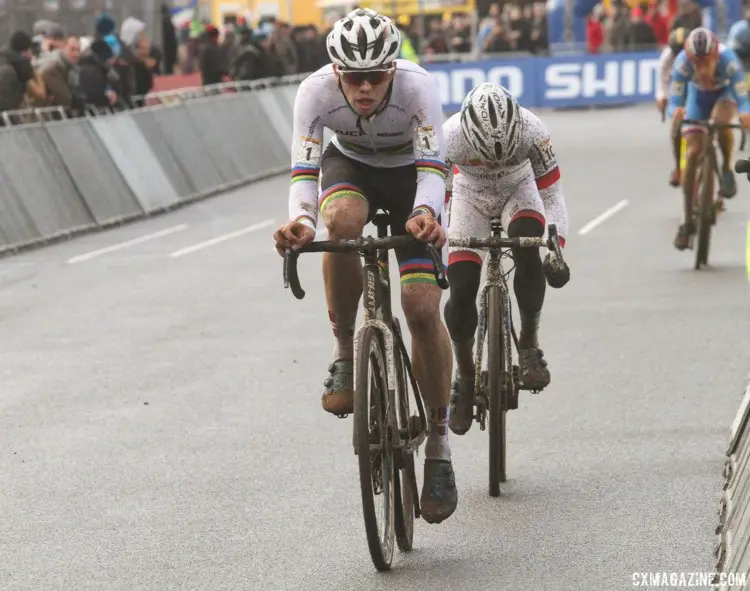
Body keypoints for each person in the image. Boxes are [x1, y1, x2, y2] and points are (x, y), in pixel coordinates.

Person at [272, 8, 457, 525]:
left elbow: (433, 170)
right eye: (354, 78)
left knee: (421, 308)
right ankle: (344, 354)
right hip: (350, 164)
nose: (366, 88)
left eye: (376, 76)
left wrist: (425, 214)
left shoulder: (419, 89)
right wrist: (302, 223)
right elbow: (304, 170)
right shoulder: (313, 94)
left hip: (411, 180)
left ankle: (439, 447)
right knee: (342, 221)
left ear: (393, 71)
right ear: (337, 74)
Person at [442, 83, 571, 436]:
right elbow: (438, 197)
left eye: (501, 155)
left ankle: (529, 343)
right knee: (462, 286)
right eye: (484, 157)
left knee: (526, 245)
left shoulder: (533, 130)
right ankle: (464, 376)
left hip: (519, 189)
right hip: (469, 196)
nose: (493, 163)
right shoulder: (449, 136)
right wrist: (439, 253)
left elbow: (552, 193)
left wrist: (555, 246)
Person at [668, 27, 750, 251]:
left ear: (716, 56)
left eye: (707, 63)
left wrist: (744, 114)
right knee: (692, 152)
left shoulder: (729, 61)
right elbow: (674, 101)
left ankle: (725, 168)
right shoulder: (682, 63)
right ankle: (686, 222)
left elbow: (742, 98)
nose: (702, 69)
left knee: (720, 122)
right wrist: (675, 112)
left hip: (723, 95)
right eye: (697, 64)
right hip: (698, 97)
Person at [657, 26, 690, 187]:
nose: (680, 56)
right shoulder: (666, 57)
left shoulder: (697, 53)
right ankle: (678, 167)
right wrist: (662, 97)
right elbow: (662, 81)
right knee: (676, 124)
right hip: (678, 89)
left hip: (697, 86)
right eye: (676, 53)